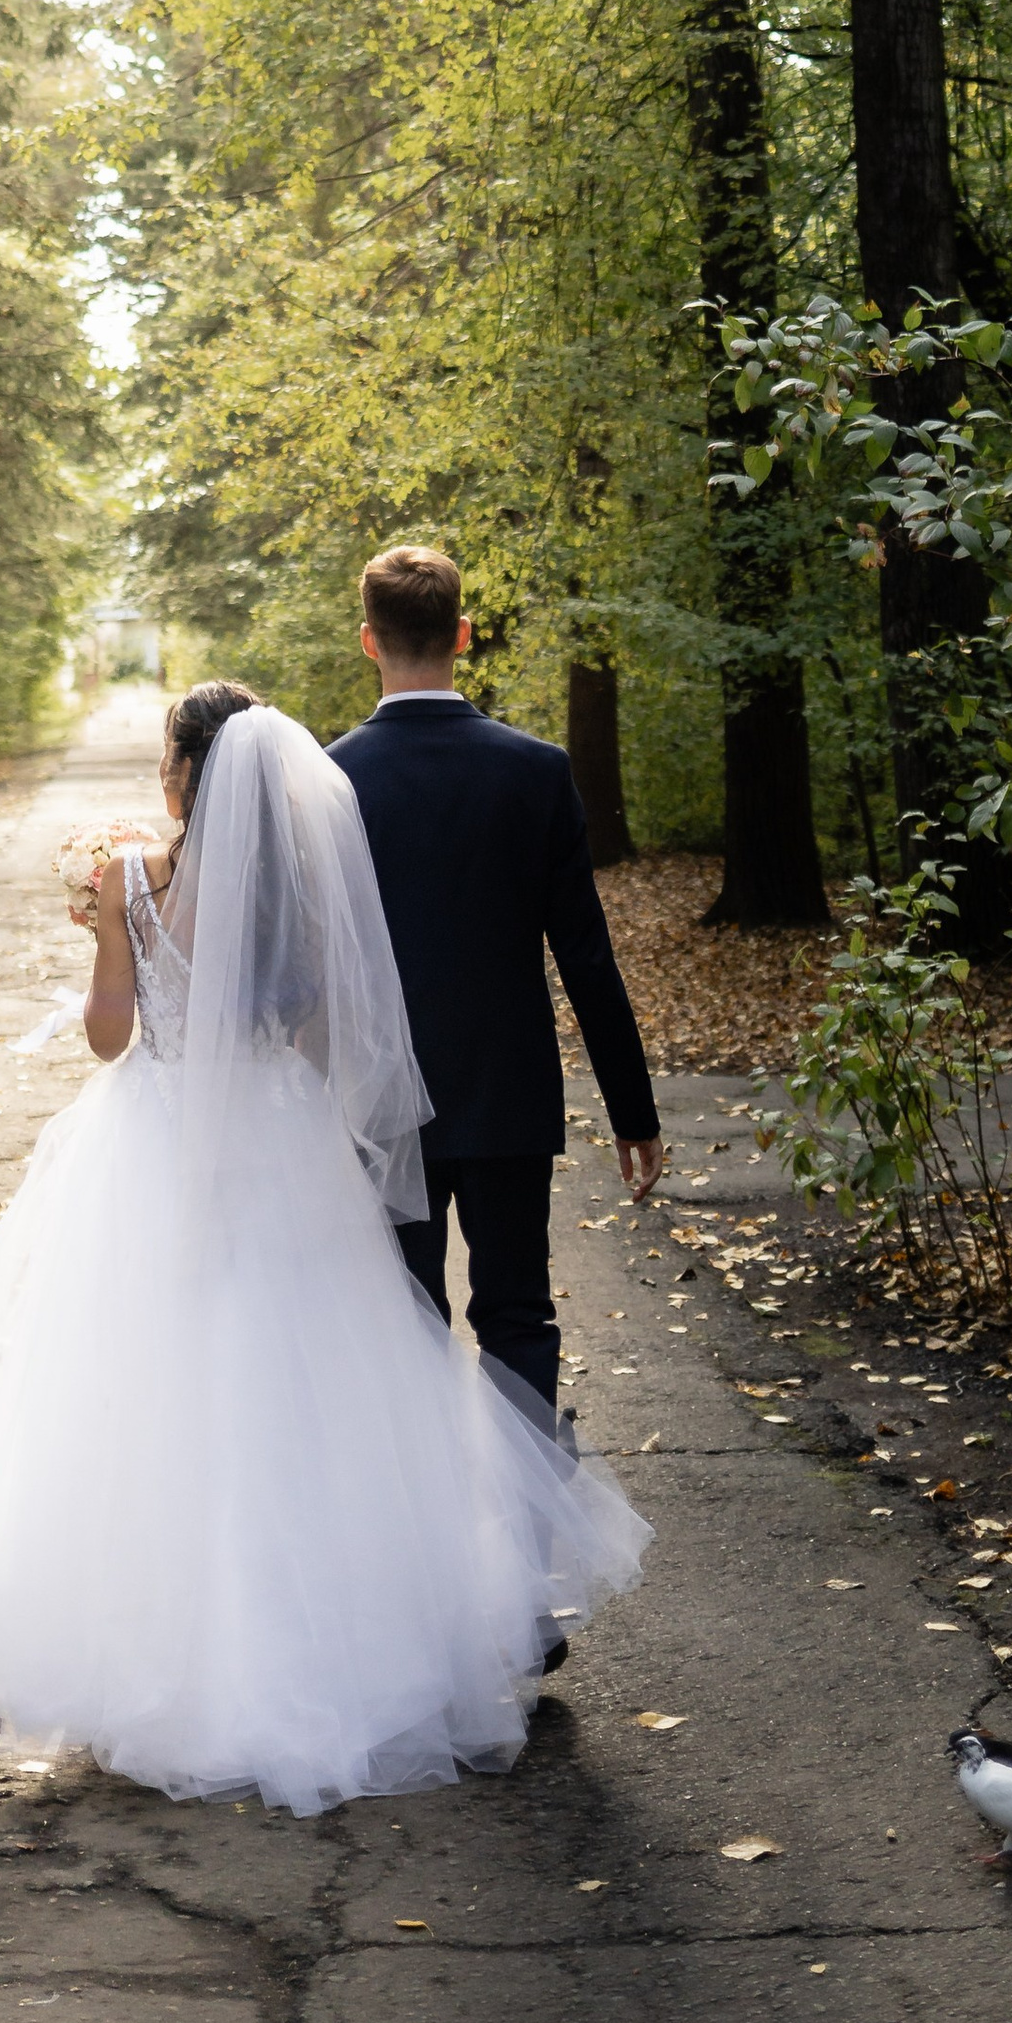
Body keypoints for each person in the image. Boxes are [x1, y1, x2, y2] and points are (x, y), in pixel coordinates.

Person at [0, 685, 650, 1816]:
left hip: (156, 1138)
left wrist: (107, 938)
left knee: (152, 1376)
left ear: (186, 772)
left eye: (163, 761)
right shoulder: (301, 891)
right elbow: (337, 1030)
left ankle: (164, 1643)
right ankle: (360, 1631)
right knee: (310, 1376)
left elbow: (108, 1039)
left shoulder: (129, 880)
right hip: (280, 1140)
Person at [331, 544, 666, 1425]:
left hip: (378, 1102)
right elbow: (586, 955)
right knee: (518, 1312)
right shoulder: (537, 770)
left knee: (401, 1322)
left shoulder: (330, 782)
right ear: (465, 635)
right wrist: (634, 1111)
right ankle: (530, 1531)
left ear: (369, 642)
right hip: (508, 1093)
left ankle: (426, 1537)